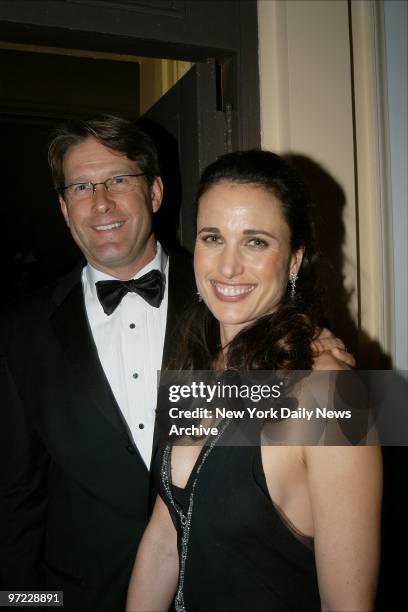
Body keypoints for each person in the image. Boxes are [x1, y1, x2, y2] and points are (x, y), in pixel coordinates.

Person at [0, 116, 351, 612]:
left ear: (157, 193)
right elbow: (14, 502)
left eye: (120, 180)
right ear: (63, 207)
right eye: (81, 186)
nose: (101, 202)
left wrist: (316, 345)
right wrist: (23, 603)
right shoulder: (19, 333)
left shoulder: (224, 299)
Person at [126, 150, 382, 612]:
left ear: (293, 260)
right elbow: (166, 536)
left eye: (256, 242)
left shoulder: (329, 395)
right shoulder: (195, 368)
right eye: (212, 238)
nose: (227, 267)